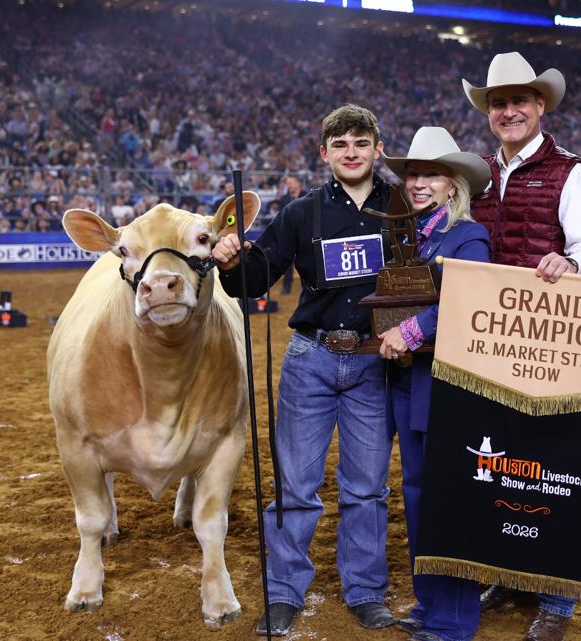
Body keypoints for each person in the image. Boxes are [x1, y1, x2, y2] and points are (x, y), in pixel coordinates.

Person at [211, 104, 397, 637]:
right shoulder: (301, 212)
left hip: (374, 360)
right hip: (310, 359)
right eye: (340, 145)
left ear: (378, 149)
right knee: (295, 486)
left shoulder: (403, 207)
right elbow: (254, 280)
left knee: (367, 488)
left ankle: (366, 591)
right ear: (324, 153)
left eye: (360, 143)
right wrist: (232, 258)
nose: (351, 153)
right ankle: (285, 592)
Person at [462, 51, 581, 641]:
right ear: (488, 111)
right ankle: (512, 573)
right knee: (500, 467)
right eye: (498, 103)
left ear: (540, 105)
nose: (508, 111)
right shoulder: (475, 174)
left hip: (550, 342)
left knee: (552, 467)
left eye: (519, 100)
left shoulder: (570, 172)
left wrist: (569, 262)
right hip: (488, 343)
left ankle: (557, 599)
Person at [377, 126, 492, 641]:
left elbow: (469, 300)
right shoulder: (412, 236)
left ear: (453, 185)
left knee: (448, 498)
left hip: (447, 383)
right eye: (413, 175)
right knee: (418, 493)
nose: (419, 183)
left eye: (431, 175)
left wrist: (411, 330)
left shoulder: (469, 236)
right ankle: (430, 603)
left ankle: (455, 618)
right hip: (410, 381)